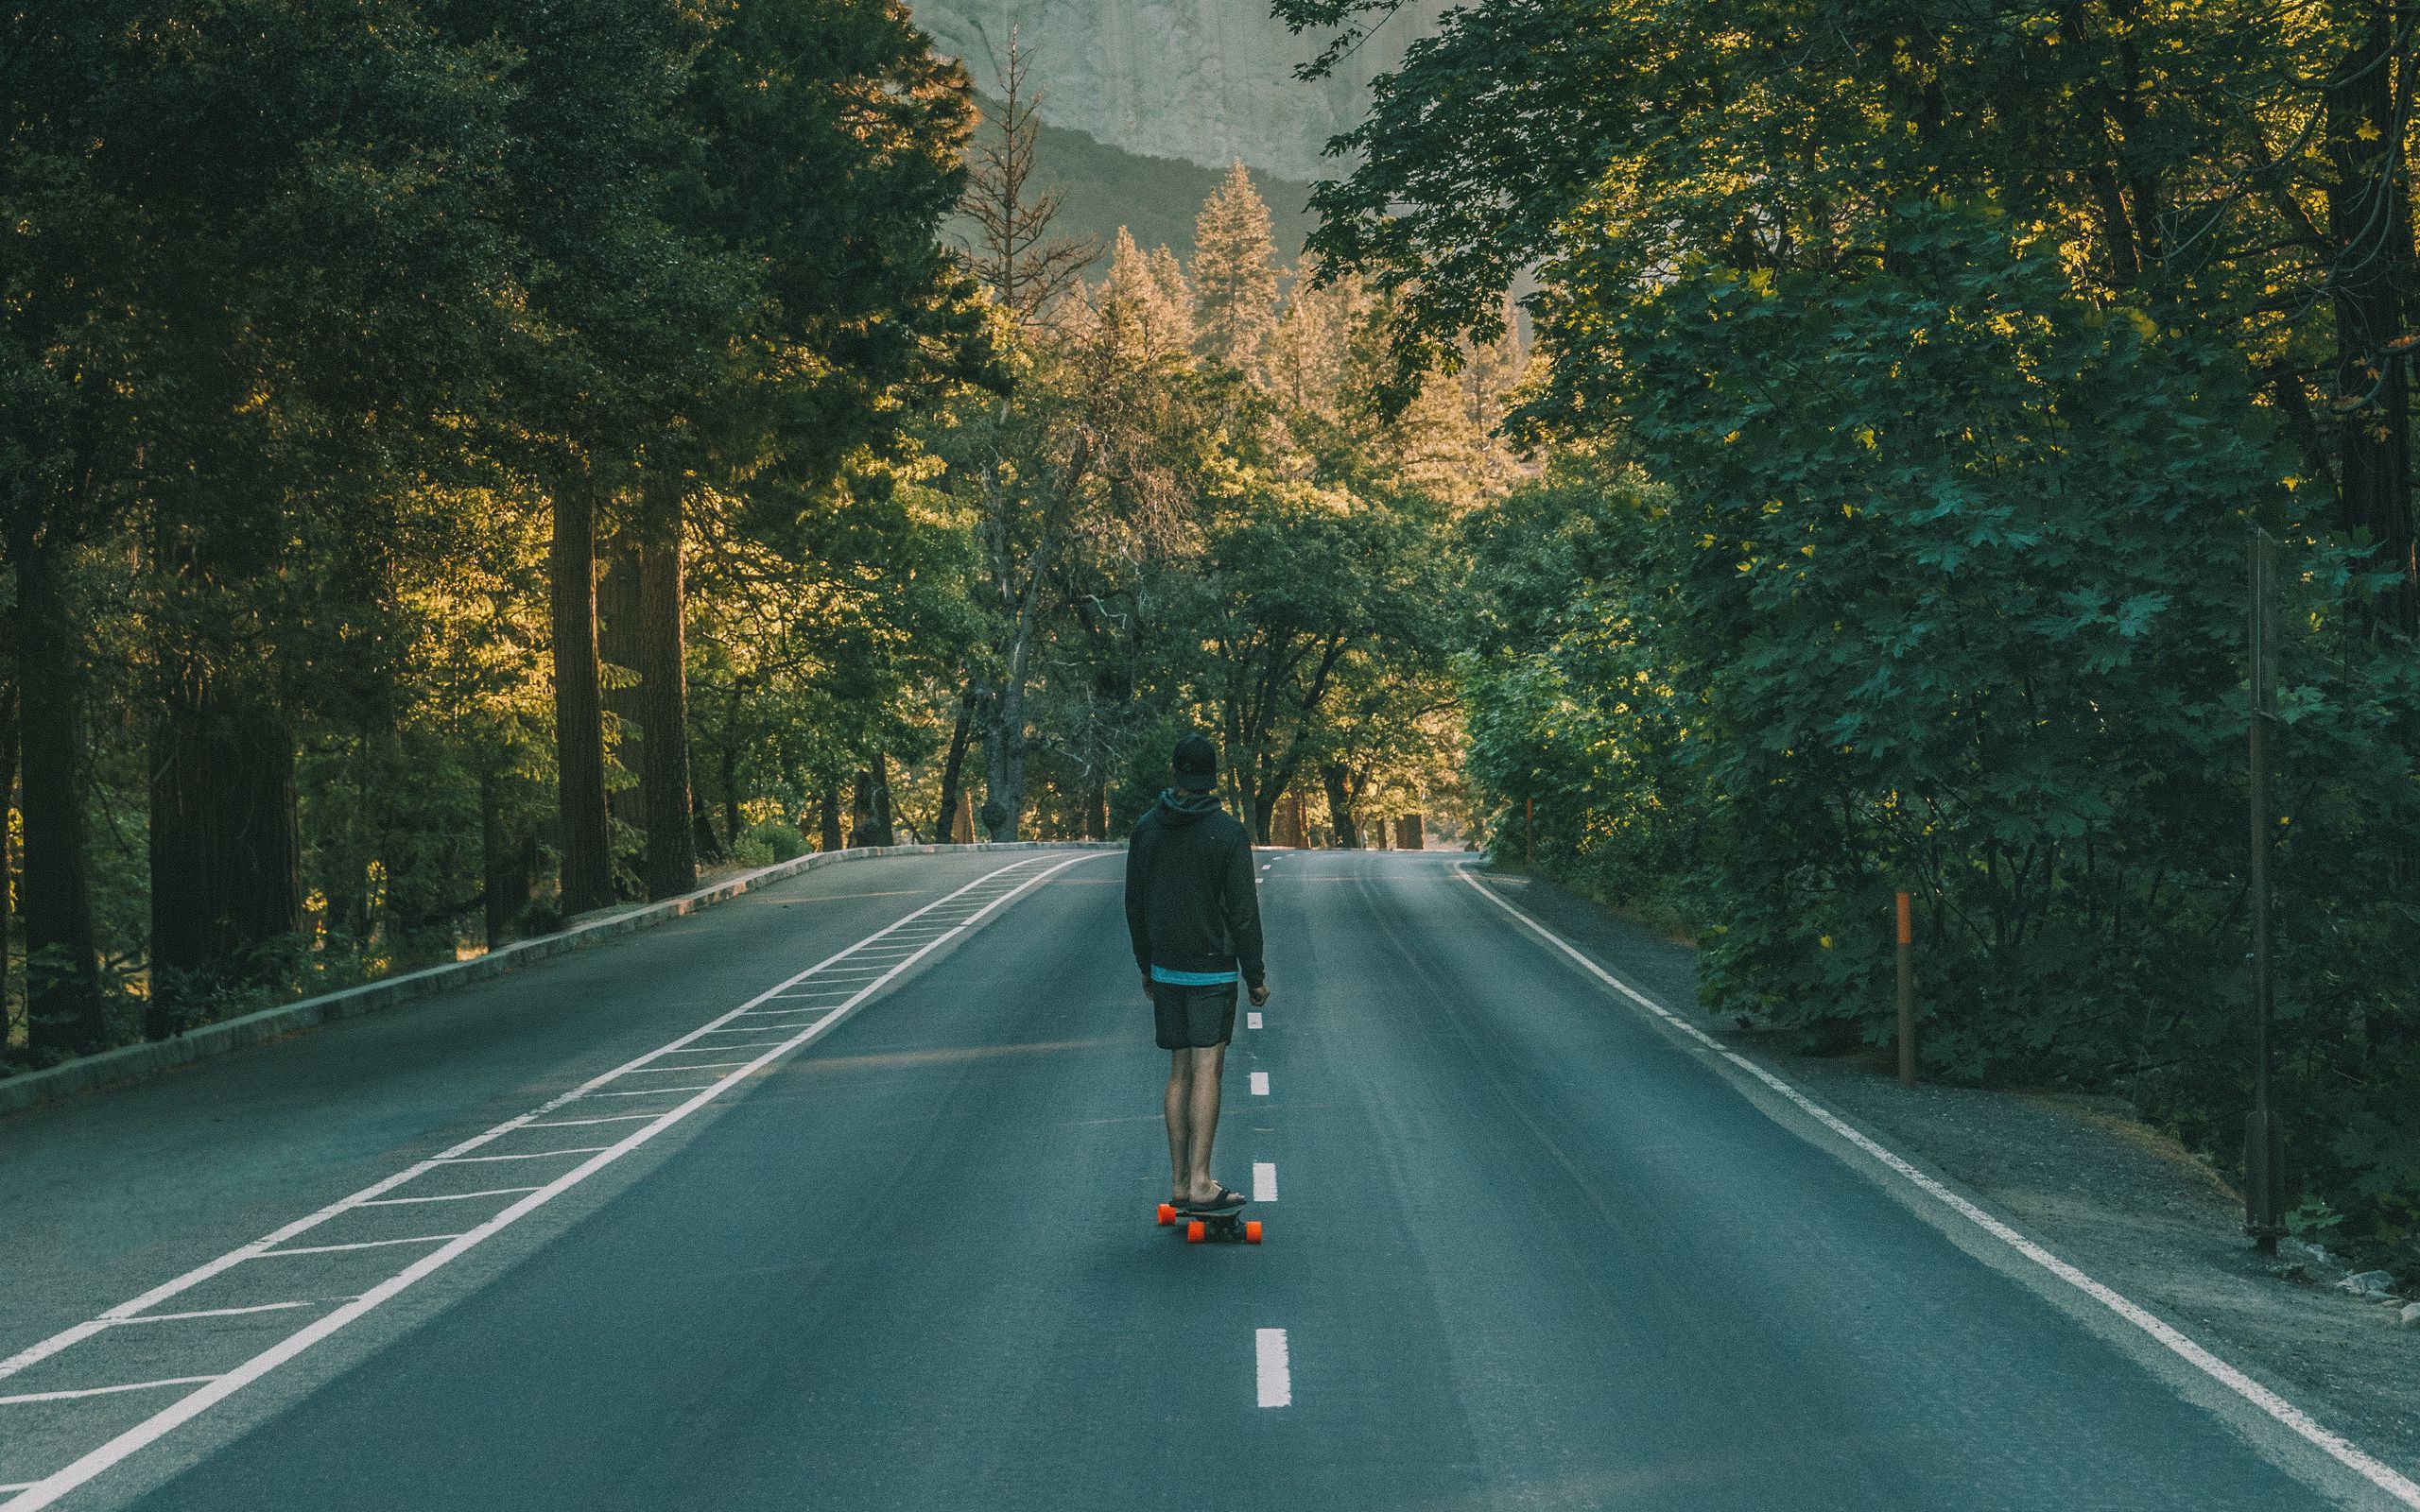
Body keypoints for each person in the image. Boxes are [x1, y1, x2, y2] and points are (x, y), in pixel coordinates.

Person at [1125, 732, 1269, 1213]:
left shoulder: (1147, 829)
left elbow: (1134, 905)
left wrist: (1147, 966)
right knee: (1208, 1066)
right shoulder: (1227, 833)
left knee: (1179, 1070)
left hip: (1166, 968)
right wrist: (1255, 974)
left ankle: (1180, 1182)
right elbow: (1244, 912)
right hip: (1211, 971)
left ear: (1174, 772)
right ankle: (1204, 1180)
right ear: (1213, 778)